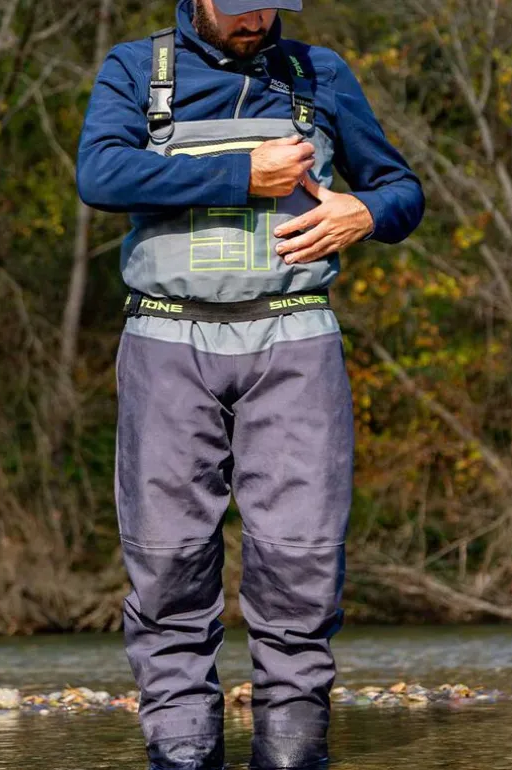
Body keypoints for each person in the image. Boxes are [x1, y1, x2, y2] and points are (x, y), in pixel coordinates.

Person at [76, 0, 424, 767]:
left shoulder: (317, 73)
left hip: (294, 337)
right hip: (166, 337)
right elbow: (99, 175)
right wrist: (241, 175)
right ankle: (181, 751)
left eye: (269, 4)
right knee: (167, 561)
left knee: (302, 561)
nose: (255, 20)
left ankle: (293, 750)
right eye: (237, 6)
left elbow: (404, 191)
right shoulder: (138, 69)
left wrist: (368, 212)